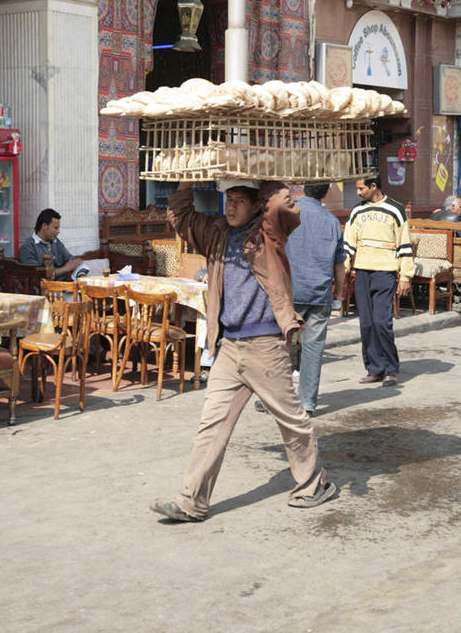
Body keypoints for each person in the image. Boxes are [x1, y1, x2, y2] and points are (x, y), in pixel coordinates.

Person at [150, 179, 337, 523]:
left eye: (239, 201)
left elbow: (282, 204)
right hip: (229, 346)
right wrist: (187, 180)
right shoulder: (216, 233)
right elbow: (181, 215)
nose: (231, 207)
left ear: (255, 206)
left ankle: (315, 484)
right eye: (227, 200)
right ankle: (192, 501)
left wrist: (259, 172)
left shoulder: (270, 232)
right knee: (212, 424)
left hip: (265, 343)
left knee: (291, 420)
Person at [343, 175, 415, 387]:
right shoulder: (357, 211)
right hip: (363, 272)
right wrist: (343, 271)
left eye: (360, 188)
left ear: (373, 186)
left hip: (385, 273)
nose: (358, 193)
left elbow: (404, 245)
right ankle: (375, 369)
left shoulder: (396, 209)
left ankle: (391, 369)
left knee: (382, 322)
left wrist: (405, 277)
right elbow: (348, 244)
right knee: (366, 323)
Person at [284, 182, 346, 416]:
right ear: (327, 192)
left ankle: (275, 399)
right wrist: (339, 296)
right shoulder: (331, 222)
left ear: (302, 190)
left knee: (281, 347)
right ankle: (307, 403)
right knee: (313, 349)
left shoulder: (289, 214)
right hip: (320, 294)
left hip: (289, 292)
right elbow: (339, 264)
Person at [19, 208, 82, 280]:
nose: (58, 231)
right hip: (45, 289)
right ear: (44, 226)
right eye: (55, 228)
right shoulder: (27, 247)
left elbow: (71, 261)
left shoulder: (56, 242)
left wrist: (80, 272)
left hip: (65, 286)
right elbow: (37, 276)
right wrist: (65, 269)